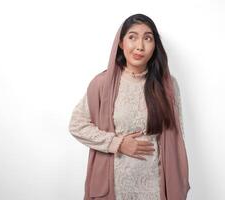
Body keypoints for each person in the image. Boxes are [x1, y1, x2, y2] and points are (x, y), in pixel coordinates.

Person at [69, 13, 190, 200]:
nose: (140, 46)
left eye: (147, 38)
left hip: (155, 189)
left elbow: (176, 136)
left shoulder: (168, 85)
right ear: (121, 43)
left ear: (155, 45)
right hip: (115, 188)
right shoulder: (102, 84)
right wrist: (118, 143)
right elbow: (77, 125)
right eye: (132, 37)